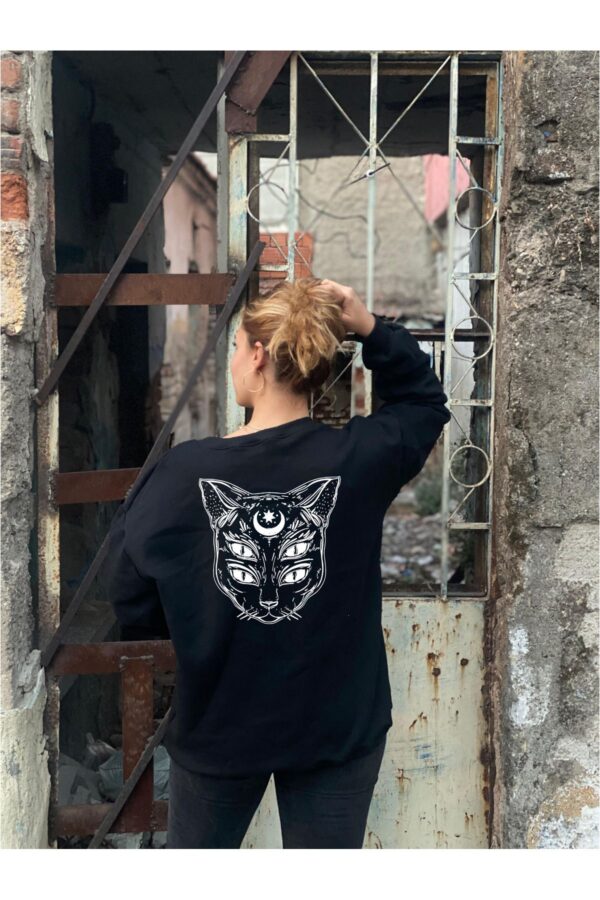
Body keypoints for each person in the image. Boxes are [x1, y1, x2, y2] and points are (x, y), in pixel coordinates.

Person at [103, 277, 451, 848]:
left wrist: (197, 622)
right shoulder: (360, 459)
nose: (234, 361)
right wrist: (369, 327)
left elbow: (128, 590)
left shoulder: (183, 474)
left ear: (259, 355)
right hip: (338, 728)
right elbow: (423, 403)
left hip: (220, 724)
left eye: (237, 347)